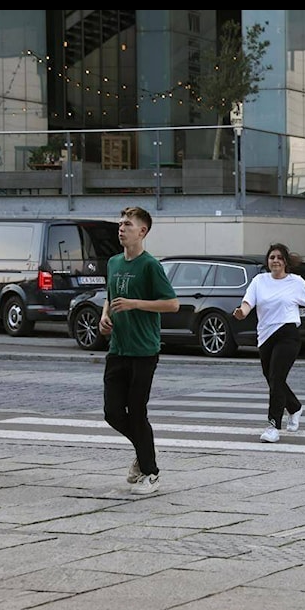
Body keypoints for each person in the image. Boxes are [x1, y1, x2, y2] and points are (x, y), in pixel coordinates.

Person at [98, 206, 180, 495]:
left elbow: (172, 304)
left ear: (142, 231)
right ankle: (143, 453)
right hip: (118, 348)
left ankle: (151, 472)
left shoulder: (149, 265)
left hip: (144, 350)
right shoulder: (113, 262)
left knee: (137, 412)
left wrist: (135, 304)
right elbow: (110, 297)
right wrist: (104, 316)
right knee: (112, 412)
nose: (121, 228)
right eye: (120, 223)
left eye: (128, 224)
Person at [233, 243, 305, 444]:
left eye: (279, 257)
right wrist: (242, 312)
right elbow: (248, 302)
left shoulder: (296, 282)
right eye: (271, 257)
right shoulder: (260, 281)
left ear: (285, 262)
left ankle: (273, 426)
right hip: (265, 336)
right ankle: (294, 407)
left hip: (288, 335)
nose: (275, 260)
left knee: (276, 378)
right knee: (272, 378)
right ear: (267, 262)